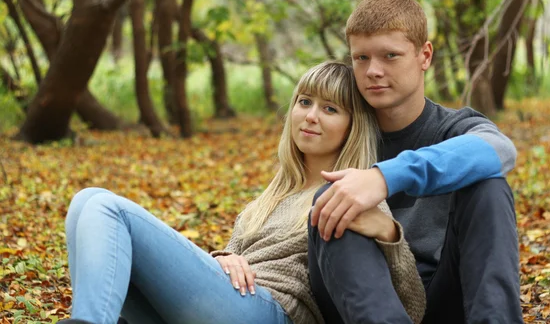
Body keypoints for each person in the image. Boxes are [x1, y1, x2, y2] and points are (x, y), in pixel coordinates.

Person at [59, 61, 426, 324]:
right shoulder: (265, 201)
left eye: (330, 109)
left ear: (351, 128)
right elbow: (226, 264)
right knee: (84, 201)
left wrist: (390, 235)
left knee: (106, 207)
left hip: (270, 311)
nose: (311, 116)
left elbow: (411, 307)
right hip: (229, 302)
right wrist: (223, 258)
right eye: (304, 102)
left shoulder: (353, 195)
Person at [308, 0, 523, 323]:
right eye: (361, 58)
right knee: (334, 197)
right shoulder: (340, 128)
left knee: (488, 187)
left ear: (425, 55)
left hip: (440, 298)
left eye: (390, 55)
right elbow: (281, 202)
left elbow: (500, 149)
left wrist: (384, 177)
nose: (372, 71)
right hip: (356, 300)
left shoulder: (453, 128)